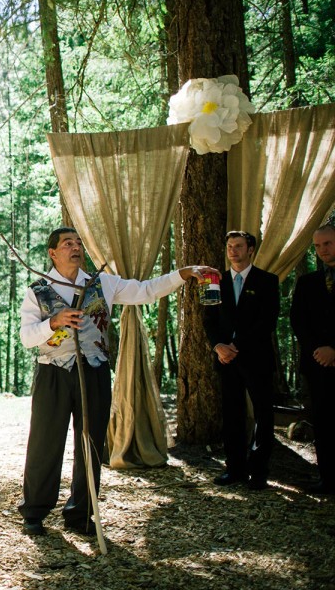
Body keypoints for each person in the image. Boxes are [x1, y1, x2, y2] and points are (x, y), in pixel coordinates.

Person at [18, 227, 214, 536]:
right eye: (68, 243)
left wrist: (182, 273)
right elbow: (27, 338)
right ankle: (35, 512)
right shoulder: (38, 290)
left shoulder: (102, 283)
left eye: (79, 242)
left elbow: (145, 290)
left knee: (92, 443)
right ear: (53, 253)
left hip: (94, 371)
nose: (76, 247)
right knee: (45, 443)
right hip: (53, 374)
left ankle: (81, 513)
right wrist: (53, 322)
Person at [203, 231, 279, 490]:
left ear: (250, 250)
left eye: (238, 246)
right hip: (226, 360)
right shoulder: (216, 281)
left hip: (256, 358)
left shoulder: (268, 281)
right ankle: (234, 469)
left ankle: (259, 471)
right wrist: (218, 346)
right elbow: (209, 319)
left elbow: (267, 321)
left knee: (262, 414)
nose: (232, 251)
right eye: (229, 246)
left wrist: (236, 345)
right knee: (232, 414)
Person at [291, 223, 335, 495]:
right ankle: (327, 478)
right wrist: (318, 350)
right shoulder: (307, 282)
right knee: (324, 422)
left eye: (327, 244)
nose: (322, 251)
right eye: (317, 246)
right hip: (317, 364)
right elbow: (298, 321)